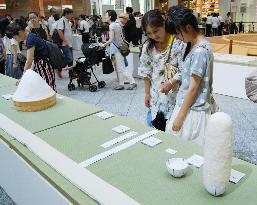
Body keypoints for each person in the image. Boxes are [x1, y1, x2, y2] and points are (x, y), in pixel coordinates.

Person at [165, 5, 214, 145]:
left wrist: (180, 117)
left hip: (193, 109)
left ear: (188, 28)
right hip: (190, 105)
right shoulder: (197, 45)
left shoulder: (199, 51)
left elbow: (193, 88)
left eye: (177, 34)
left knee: (184, 145)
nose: (177, 38)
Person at [138, 9, 185, 130]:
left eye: (156, 31)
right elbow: (146, 71)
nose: (153, 36)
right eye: (149, 33)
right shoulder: (148, 47)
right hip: (156, 95)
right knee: (155, 127)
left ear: (164, 24)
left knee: (173, 129)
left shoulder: (178, 42)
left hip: (175, 96)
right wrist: (147, 93)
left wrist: (171, 82)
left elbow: (185, 69)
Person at [100, 10, 136, 90]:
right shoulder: (117, 24)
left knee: (121, 68)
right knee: (119, 68)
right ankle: (121, 84)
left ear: (110, 17)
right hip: (119, 48)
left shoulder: (112, 25)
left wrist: (103, 44)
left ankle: (132, 82)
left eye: (106, 15)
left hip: (117, 49)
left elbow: (111, 39)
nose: (105, 17)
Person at [14, 23, 56, 90]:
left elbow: (29, 61)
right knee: (45, 86)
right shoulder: (31, 36)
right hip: (42, 63)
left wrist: (22, 77)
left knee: (48, 87)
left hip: (44, 65)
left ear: (20, 32)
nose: (15, 39)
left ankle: (51, 99)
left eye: (15, 37)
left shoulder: (30, 39)